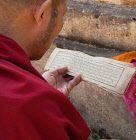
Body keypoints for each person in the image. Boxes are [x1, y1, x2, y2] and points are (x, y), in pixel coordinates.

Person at [0, 0, 90, 139]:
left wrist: (37, 89)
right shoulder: (31, 108)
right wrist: (41, 102)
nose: (61, 23)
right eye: (63, 14)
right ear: (43, 14)